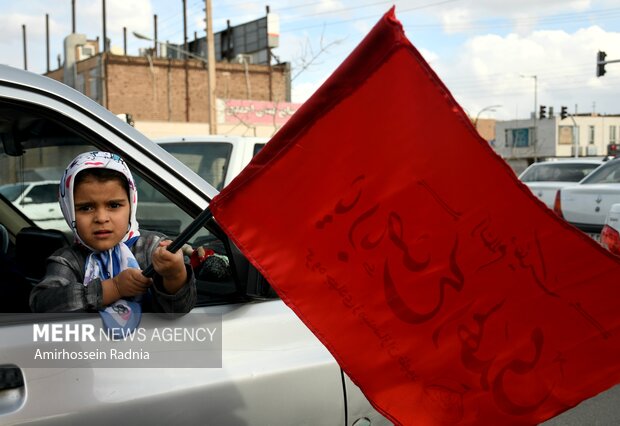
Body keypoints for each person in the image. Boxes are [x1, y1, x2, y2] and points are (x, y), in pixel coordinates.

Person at [30, 151, 196, 330]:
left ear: (131, 204)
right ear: (69, 209)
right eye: (86, 208)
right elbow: (42, 305)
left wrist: (175, 275)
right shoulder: (68, 260)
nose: (101, 218)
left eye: (114, 205)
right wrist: (112, 288)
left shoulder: (154, 248)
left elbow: (177, 310)